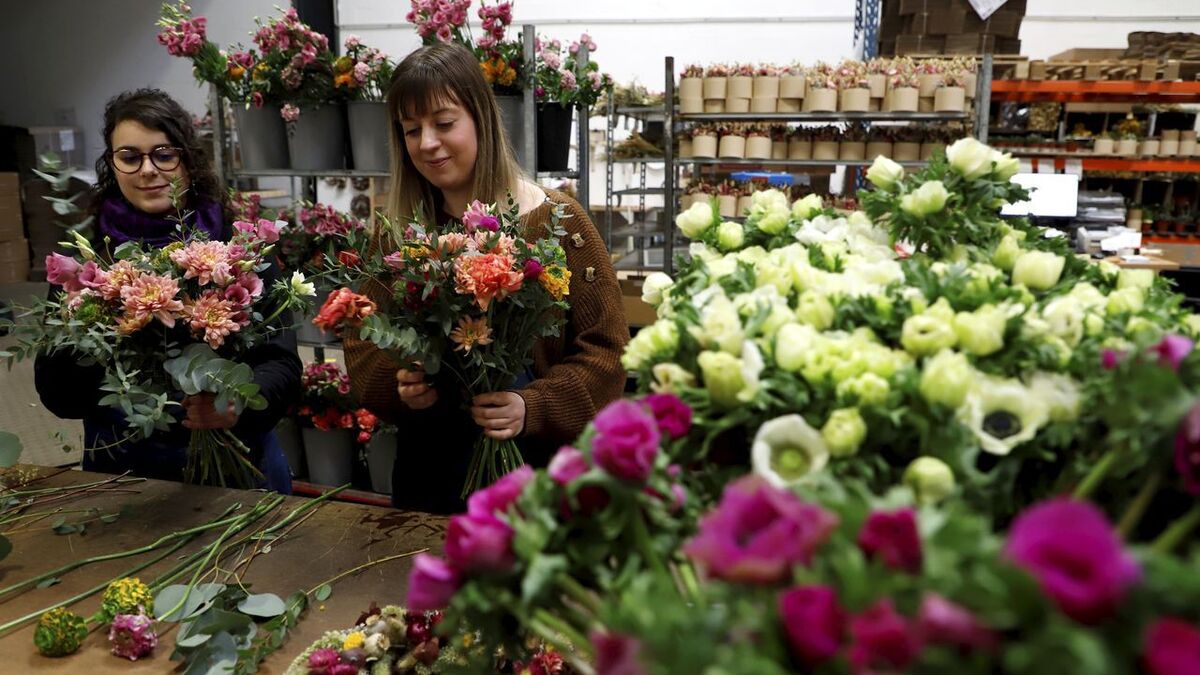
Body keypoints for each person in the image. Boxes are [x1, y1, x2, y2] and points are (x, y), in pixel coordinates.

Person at [344, 43, 629, 514]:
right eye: (411, 130)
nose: (427, 143)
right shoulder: (396, 235)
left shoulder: (557, 222)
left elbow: (607, 353)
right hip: (428, 482)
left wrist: (531, 406)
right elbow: (362, 348)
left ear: (480, 117)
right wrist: (399, 385)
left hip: (536, 480)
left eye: (444, 122)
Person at [34, 89, 300, 492]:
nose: (147, 170)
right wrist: (84, 329)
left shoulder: (238, 246)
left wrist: (237, 403)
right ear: (112, 164)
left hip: (239, 468)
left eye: (163, 154)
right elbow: (57, 396)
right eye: (130, 157)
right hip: (124, 470)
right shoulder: (88, 263)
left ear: (187, 158)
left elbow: (282, 364)